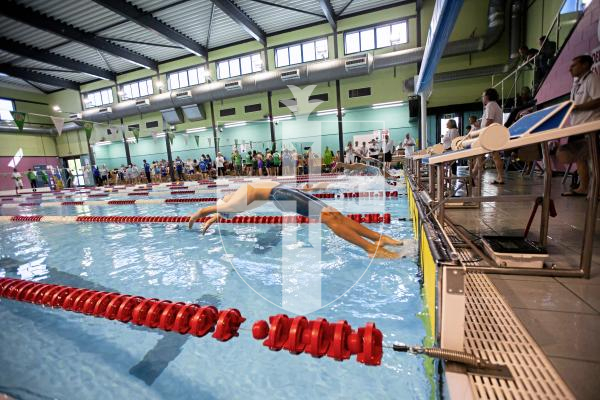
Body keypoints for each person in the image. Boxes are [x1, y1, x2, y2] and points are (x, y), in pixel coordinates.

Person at [187, 181, 405, 258]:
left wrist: (210, 216)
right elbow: (226, 209)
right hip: (284, 195)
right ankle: (370, 248)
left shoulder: (238, 196)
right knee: (331, 218)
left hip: (287, 192)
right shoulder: (238, 197)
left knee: (335, 215)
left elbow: (226, 209)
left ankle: (380, 238)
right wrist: (203, 214)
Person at [557, 55, 600, 196]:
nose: (570, 68)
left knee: (593, 159)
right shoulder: (576, 83)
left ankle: (597, 191)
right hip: (576, 127)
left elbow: (598, 100)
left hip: (589, 126)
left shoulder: (592, 79)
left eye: (574, 65)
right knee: (579, 158)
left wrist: (577, 108)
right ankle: (583, 187)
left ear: (585, 65)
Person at [476, 88, 505, 184]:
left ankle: (473, 175)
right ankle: (473, 174)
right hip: (493, 133)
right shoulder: (494, 105)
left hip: (490, 134)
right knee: (487, 155)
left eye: (483, 96)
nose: (482, 98)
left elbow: (489, 120)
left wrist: (482, 132)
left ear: (487, 97)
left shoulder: (490, 105)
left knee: (485, 154)